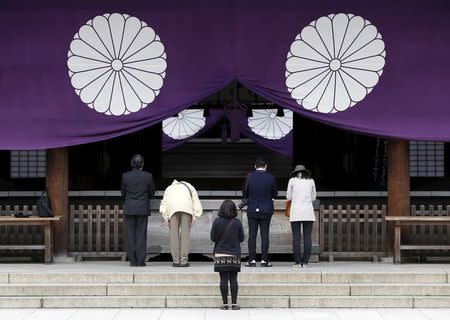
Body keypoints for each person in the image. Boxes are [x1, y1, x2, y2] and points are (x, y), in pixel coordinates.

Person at [121, 154, 155, 267]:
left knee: (130, 234)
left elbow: (123, 193)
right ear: (142, 164)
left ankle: (132, 261)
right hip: (142, 208)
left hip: (130, 208)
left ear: (131, 164)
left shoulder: (125, 176)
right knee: (141, 234)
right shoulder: (148, 176)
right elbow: (152, 193)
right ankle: (140, 261)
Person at [243, 157, 278, 267]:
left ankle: (251, 260)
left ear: (255, 166)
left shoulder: (250, 177)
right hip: (266, 209)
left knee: (252, 235)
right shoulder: (271, 177)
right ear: (266, 166)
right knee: (265, 235)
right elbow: (275, 194)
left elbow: (244, 192)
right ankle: (264, 261)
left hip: (252, 209)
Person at [210, 200, 245, 310]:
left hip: (220, 253)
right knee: (234, 279)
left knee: (223, 279)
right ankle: (234, 303)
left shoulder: (216, 221)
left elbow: (213, 238)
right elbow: (242, 238)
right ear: (234, 210)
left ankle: (225, 304)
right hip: (234, 254)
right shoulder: (237, 222)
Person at [160, 179, 202, 267]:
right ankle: (184, 261)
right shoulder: (189, 186)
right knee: (185, 235)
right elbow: (196, 201)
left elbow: (164, 203)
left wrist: (166, 218)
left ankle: (176, 261)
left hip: (172, 210)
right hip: (186, 209)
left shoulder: (169, 188)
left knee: (174, 235)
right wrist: (195, 216)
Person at [286, 164, 316, 268]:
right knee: (307, 236)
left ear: (295, 173)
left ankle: (298, 262)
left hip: (296, 212)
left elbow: (288, 196)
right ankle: (305, 262)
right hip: (308, 212)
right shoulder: (311, 181)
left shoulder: (292, 181)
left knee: (296, 236)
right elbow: (314, 197)